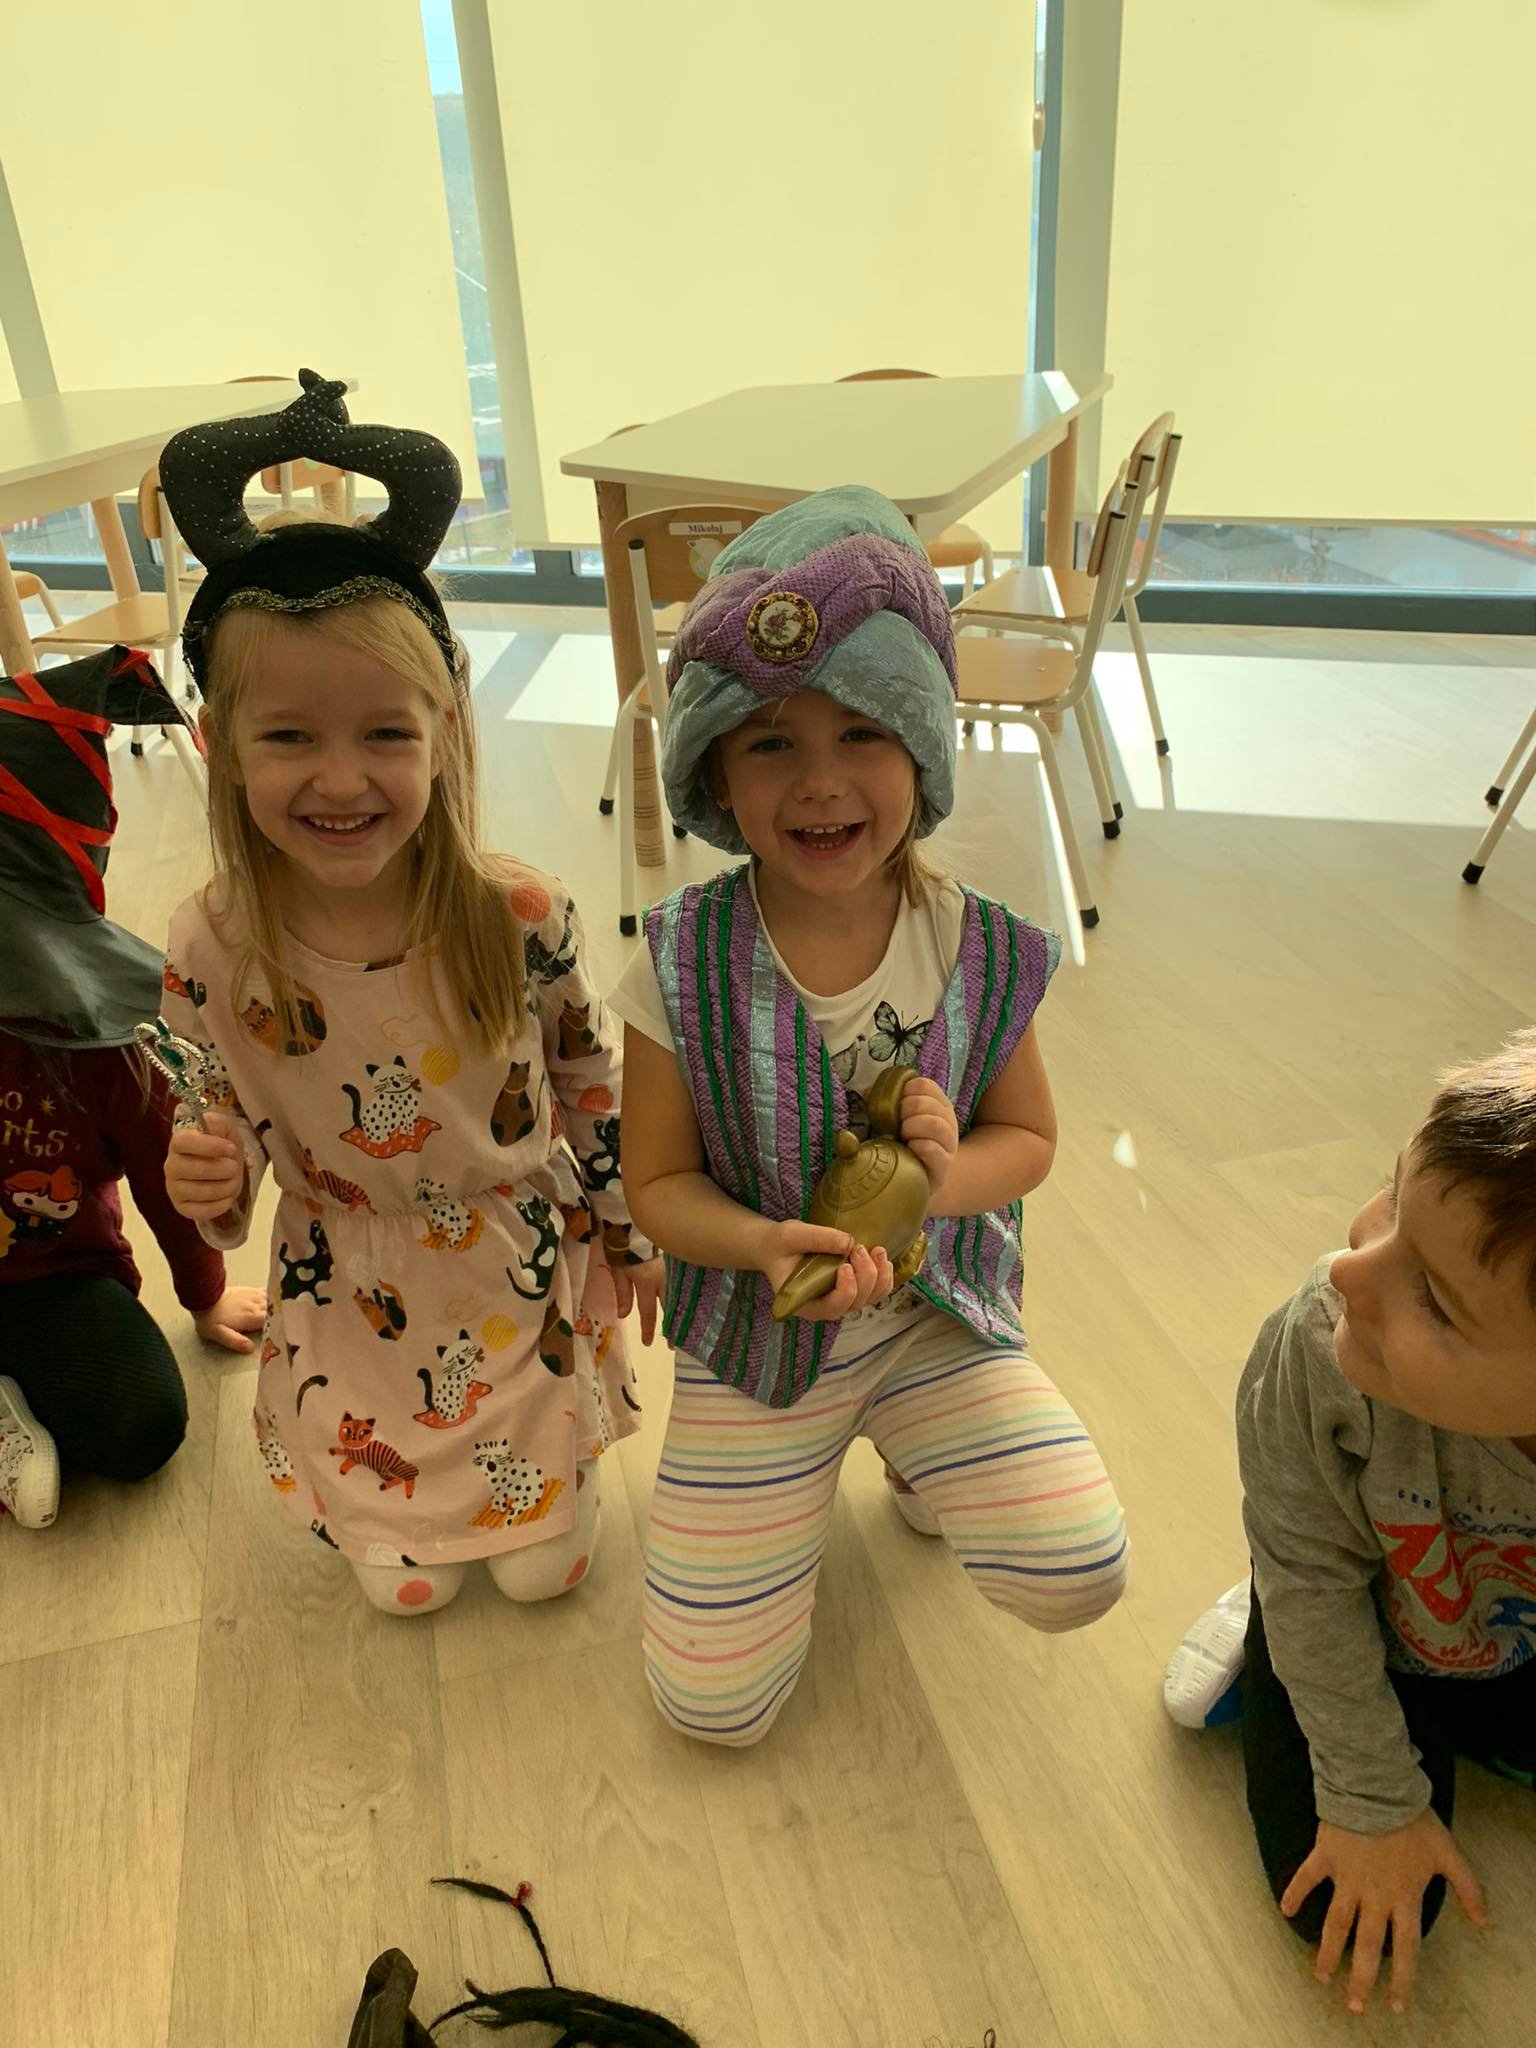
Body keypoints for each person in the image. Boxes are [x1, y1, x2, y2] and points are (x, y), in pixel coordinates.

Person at [608, 485, 1128, 1744]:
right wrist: (758, 1242)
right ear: (714, 771)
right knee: (711, 1706)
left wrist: (940, 1178)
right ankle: (825, 1455)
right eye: (769, 742)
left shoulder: (977, 945)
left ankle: (912, 1442)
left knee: (1080, 1563)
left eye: (863, 731)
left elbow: (1030, 1141)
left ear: (924, 748)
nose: (822, 781)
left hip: (931, 1316)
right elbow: (656, 1184)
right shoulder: (675, 962)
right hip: (759, 1336)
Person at [155, 372, 660, 1614]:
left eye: (385, 733)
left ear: (445, 729)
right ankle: (400, 1515)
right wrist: (212, 1183)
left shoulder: (519, 913)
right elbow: (218, 1124)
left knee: (547, 1574)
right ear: (222, 743)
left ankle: (546, 1483)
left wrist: (629, 1231)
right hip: (352, 1302)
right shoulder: (211, 945)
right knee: (404, 1592)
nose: (342, 780)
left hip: (516, 1273)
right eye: (290, 737)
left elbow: (592, 1082)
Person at [1164, 1031, 1536, 2016]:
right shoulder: (1323, 1348)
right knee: (1343, 1897)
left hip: (1502, 1629)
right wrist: (1374, 1798)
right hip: (1356, 1608)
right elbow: (1311, 1571)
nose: (1349, 1269)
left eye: (1438, 1304)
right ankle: (1259, 1637)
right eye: (1391, 1195)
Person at [0, 645, 264, 1530]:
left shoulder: (102, 1045)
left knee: (141, 1424)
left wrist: (205, 1294)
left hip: (54, 1282)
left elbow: (168, 1172)